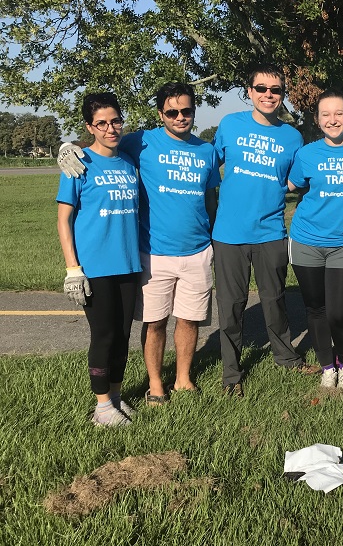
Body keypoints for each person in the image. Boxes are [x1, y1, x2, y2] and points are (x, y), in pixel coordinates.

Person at [58, 82, 221, 405]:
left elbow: (211, 198)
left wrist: (213, 238)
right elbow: (99, 145)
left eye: (186, 110)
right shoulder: (142, 141)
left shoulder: (207, 151)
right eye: (172, 112)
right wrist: (66, 146)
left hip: (198, 250)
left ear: (193, 112)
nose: (180, 117)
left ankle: (184, 379)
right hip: (153, 251)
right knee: (155, 321)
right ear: (160, 114)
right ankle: (156, 385)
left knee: (189, 319)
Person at [212, 64, 317, 399]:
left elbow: (298, 177)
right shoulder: (230, 124)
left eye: (276, 90)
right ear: (249, 91)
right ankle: (232, 374)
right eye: (262, 89)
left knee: (275, 301)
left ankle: (285, 357)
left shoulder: (292, 136)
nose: (268, 95)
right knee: (231, 306)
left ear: (283, 94)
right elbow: (205, 163)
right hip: (229, 233)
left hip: (271, 230)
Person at [56, 92, 141, 426]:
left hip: (128, 264)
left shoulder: (130, 161)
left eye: (115, 120)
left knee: (122, 336)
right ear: (90, 127)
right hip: (95, 267)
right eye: (101, 123)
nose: (110, 128)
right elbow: (64, 219)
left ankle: (116, 398)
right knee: (103, 335)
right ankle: (102, 406)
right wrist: (72, 269)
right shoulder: (78, 164)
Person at [287, 89, 343, 390]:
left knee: (339, 311)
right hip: (305, 240)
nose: (332, 119)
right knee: (316, 309)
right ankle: (327, 367)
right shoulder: (307, 154)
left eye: (339, 113)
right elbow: (291, 185)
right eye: (326, 114)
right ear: (317, 119)